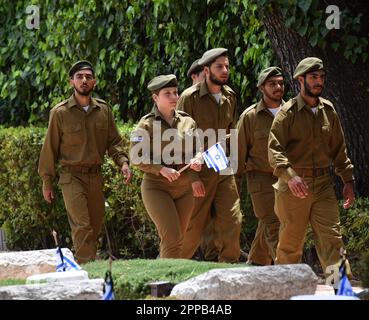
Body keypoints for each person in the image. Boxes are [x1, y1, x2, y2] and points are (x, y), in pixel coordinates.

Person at [268, 57, 355, 279]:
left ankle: (341, 290)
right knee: (290, 246)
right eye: (313, 77)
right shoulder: (287, 114)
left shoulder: (329, 110)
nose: (318, 82)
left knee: (332, 240)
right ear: (300, 80)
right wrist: (290, 176)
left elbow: (339, 149)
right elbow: (274, 151)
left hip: (323, 185)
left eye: (321, 78)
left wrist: (347, 181)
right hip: (294, 188)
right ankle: (284, 291)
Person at [38, 60, 132, 264]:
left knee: (94, 228)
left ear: (94, 83)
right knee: (82, 227)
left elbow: (113, 142)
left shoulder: (103, 110)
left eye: (88, 77)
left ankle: (86, 267)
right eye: (79, 77)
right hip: (71, 177)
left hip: (95, 176)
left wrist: (123, 162)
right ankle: (85, 274)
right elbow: (49, 149)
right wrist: (47, 181)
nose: (84, 80)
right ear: (72, 81)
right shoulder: (60, 113)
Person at [177, 48, 243, 263]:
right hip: (198, 170)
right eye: (219, 67)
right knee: (193, 227)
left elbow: (231, 133)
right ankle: (171, 270)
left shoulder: (229, 96)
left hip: (223, 167)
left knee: (232, 220)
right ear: (206, 70)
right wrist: (193, 178)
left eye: (227, 66)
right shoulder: (189, 98)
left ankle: (228, 270)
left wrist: (233, 166)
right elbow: (181, 139)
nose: (225, 71)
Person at [130, 74, 204, 258]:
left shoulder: (188, 121)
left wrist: (198, 159)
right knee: (171, 237)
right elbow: (136, 156)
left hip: (184, 188)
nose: (174, 97)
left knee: (179, 239)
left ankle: (163, 279)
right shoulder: (146, 124)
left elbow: (198, 147)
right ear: (155, 98)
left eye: (175, 92)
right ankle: (168, 283)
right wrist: (161, 169)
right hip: (157, 187)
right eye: (167, 93)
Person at [236, 67, 284, 266]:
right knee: (274, 224)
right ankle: (287, 272)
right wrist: (234, 190)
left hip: (287, 178)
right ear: (261, 87)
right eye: (272, 84)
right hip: (260, 179)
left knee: (273, 223)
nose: (278, 87)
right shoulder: (250, 117)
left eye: (281, 83)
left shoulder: (291, 111)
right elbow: (239, 154)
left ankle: (256, 263)